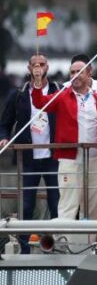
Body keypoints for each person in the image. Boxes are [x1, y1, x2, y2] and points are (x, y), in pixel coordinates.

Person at [28, 54, 97, 222]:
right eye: (72, 72)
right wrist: (38, 80)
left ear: (89, 73)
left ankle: (91, 246)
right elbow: (40, 102)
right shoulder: (62, 95)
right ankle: (64, 246)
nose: (75, 75)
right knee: (68, 206)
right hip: (70, 159)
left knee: (93, 207)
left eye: (79, 71)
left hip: (96, 159)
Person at [0, 54, 60, 252]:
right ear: (28, 68)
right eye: (34, 65)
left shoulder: (57, 90)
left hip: (52, 157)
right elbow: (5, 122)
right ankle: (24, 247)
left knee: (55, 202)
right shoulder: (19, 93)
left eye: (41, 64)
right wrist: (5, 137)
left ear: (47, 67)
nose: (38, 68)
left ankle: (54, 244)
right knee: (26, 204)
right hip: (28, 157)